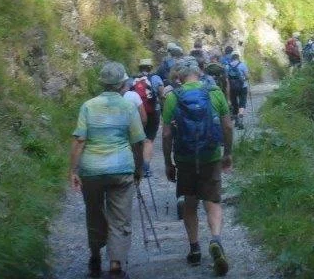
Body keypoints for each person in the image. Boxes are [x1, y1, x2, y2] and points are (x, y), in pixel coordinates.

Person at [69, 62, 145, 279]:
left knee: (94, 213)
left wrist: (73, 170)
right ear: (123, 84)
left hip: (91, 171)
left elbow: (79, 140)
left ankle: (94, 256)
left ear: (102, 82)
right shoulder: (128, 106)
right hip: (121, 170)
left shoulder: (88, 106)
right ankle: (115, 264)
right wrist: (138, 169)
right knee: (120, 218)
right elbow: (138, 142)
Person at [162, 58, 234, 277]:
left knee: (190, 203)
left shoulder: (173, 97)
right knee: (212, 201)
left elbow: (166, 134)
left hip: (184, 158)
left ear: (179, 77)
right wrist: (228, 153)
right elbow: (228, 126)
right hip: (210, 156)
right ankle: (215, 239)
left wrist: (168, 162)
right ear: (198, 74)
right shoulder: (215, 93)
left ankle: (194, 248)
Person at [133, 57, 163, 176]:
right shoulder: (155, 78)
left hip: (137, 112)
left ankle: (136, 166)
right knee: (149, 140)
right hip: (152, 112)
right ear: (151, 68)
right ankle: (146, 167)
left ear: (140, 68)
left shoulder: (132, 79)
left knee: (137, 139)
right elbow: (162, 94)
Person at [226, 53, 249, 126]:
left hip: (232, 87)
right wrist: (244, 79)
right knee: (242, 101)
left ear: (231, 58)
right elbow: (247, 77)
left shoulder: (227, 66)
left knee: (234, 103)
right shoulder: (242, 65)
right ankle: (241, 113)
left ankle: (236, 120)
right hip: (242, 86)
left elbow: (226, 79)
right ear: (238, 58)